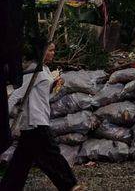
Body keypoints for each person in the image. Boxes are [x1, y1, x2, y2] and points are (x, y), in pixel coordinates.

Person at [2, 43, 81, 191]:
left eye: (54, 50)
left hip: (38, 119)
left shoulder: (44, 69)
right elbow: (16, 94)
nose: (53, 53)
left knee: (21, 162)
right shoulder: (33, 71)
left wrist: (54, 85)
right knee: (52, 154)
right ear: (41, 51)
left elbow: (41, 94)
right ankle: (70, 185)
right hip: (35, 121)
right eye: (50, 50)